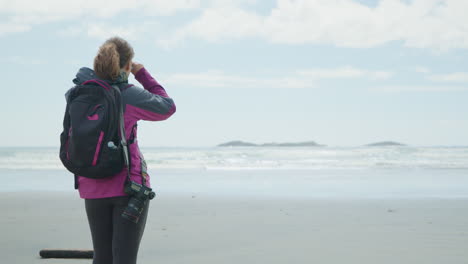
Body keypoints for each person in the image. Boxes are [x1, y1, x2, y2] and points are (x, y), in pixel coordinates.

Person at [68, 36, 176, 264]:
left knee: (102, 257)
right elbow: (167, 107)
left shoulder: (77, 93)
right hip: (129, 186)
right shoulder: (128, 94)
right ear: (126, 65)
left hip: (91, 184)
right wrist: (142, 73)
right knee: (124, 259)